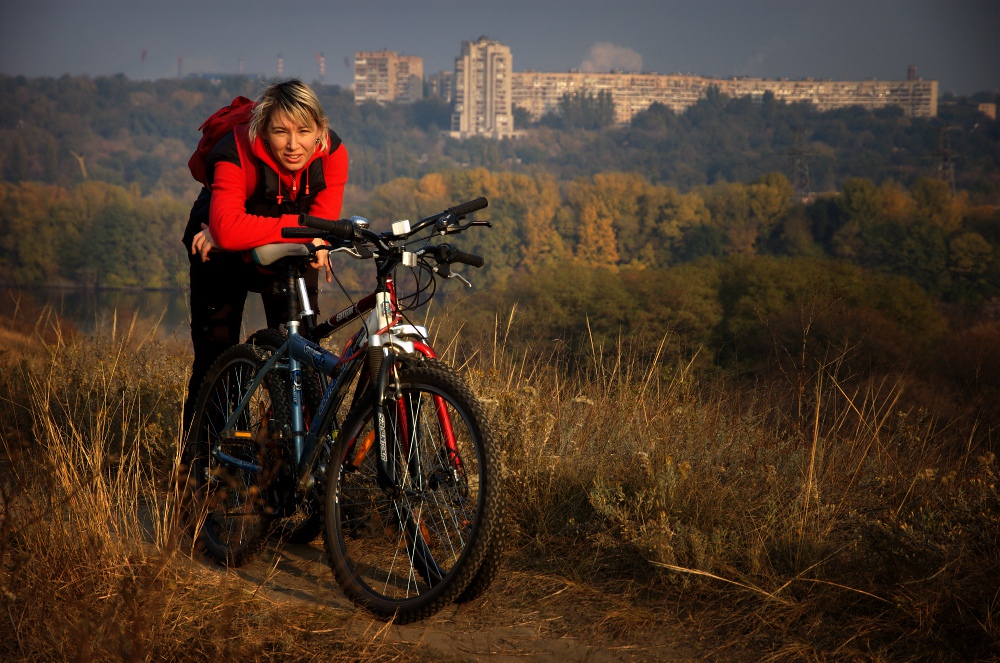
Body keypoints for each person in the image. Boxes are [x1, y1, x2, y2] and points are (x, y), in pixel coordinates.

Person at [180, 79, 349, 429]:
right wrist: (303, 228)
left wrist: (313, 237)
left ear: (321, 129)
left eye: (304, 131)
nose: (293, 145)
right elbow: (228, 229)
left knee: (301, 354)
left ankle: (290, 462)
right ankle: (198, 473)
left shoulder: (332, 153)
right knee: (215, 361)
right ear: (262, 129)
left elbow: (323, 228)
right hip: (218, 254)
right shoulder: (234, 151)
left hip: (282, 249)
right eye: (280, 131)